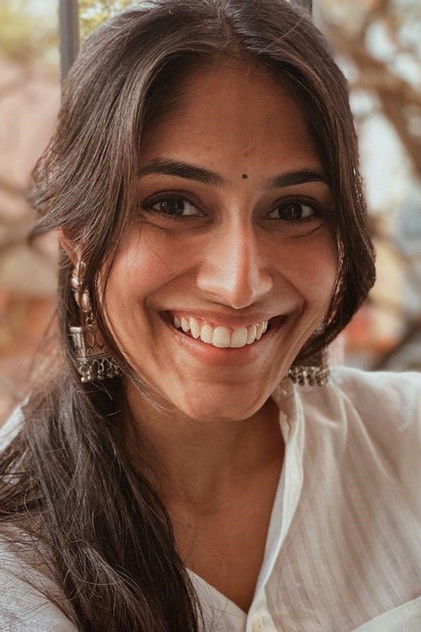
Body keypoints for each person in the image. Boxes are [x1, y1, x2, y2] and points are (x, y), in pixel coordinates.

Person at [0, 0, 420, 630]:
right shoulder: (18, 557)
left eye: (294, 210)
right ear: (78, 236)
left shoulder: (407, 442)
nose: (239, 284)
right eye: (174, 204)